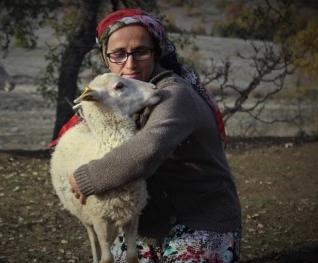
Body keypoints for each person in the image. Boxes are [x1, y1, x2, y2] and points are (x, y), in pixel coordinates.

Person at [65, 8, 242, 263]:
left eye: (140, 51)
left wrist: (87, 177)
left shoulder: (173, 94)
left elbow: (149, 149)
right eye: (118, 54)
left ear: (156, 52)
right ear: (106, 58)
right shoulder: (120, 96)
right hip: (149, 225)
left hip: (199, 220)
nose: (129, 64)